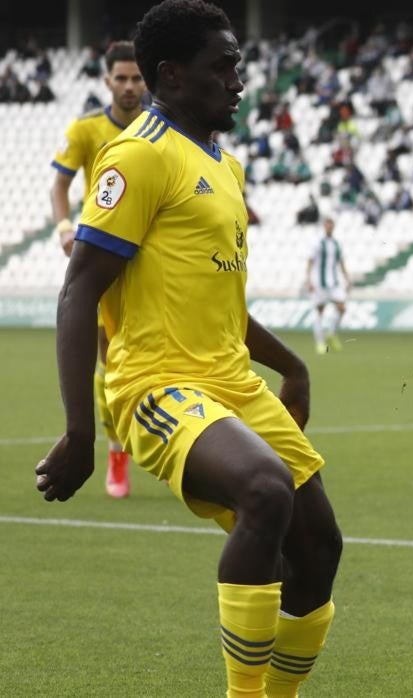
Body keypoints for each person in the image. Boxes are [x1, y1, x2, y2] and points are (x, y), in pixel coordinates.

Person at [35, 3, 342, 696]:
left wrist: (290, 365)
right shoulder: (138, 156)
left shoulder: (225, 168)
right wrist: (81, 430)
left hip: (231, 382)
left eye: (237, 64)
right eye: (222, 66)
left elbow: (219, 300)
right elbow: (78, 291)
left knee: (319, 546)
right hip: (155, 386)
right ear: (171, 75)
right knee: (265, 490)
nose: (238, 80)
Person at [50, 40, 147, 498]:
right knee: (109, 360)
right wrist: (66, 224)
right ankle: (115, 452)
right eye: (121, 78)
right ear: (107, 81)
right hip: (106, 254)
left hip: (151, 258)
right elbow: (60, 184)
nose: (129, 87)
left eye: (136, 78)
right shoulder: (87, 130)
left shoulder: (160, 127)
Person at [305, 216, 351, 354]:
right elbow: (310, 262)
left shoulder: (337, 244)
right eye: (327, 224)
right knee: (320, 311)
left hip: (334, 283)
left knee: (342, 308)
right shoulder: (318, 243)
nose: (329, 227)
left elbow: (341, 263)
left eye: (331, 224)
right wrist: (309, 280)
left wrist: (347, 279)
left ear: (333, 226)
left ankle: (331, 332)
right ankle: (320, 343)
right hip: (319, 283)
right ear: (324, 226)